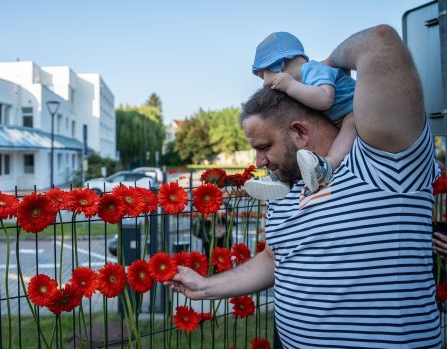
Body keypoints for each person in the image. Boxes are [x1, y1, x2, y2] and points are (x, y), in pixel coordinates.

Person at [166, 25, 441, 348]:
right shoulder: (287, 185)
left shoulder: (385, 161)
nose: (259, 162)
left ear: (300, 132)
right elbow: (275, 257)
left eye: (264, 146)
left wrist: (322, 66)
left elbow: (380, 42)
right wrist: (205, 287)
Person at [244, 32, 356, 200]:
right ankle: (282, 179)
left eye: (262, 76)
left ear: (278, 66)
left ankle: (327, 166)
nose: (263, 83)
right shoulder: (302, 85)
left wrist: (289, 85)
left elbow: (325, 99)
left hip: (354, 112)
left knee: (351, 123)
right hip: (337, 120)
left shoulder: (313, 69)